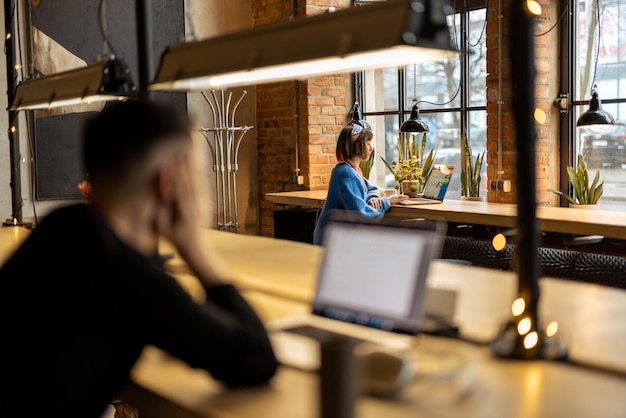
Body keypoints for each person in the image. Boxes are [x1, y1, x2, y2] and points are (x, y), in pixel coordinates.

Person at [0, 101, 277, 418]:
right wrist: (191, 244)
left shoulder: (63, 226)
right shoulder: (125, 275)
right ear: (169, 181)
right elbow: (257, 359)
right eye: (196, 174)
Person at [313, 120, 408, 245]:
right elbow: (361, 215)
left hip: (337, 237)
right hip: (333, 241)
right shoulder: (345, 173)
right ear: (356, 146)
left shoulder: (351, 170)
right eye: (367, 143)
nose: (371, 148)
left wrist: (373, 198)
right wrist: (387, 202)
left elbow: (372, 188)